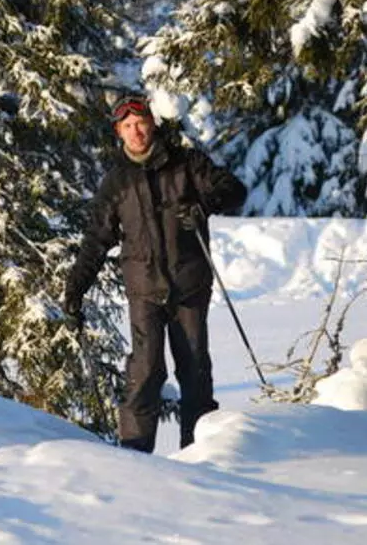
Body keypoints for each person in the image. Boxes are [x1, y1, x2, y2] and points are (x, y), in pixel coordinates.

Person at [63, 94, 246, 452]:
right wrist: (75, 289)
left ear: (153, 123)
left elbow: (234, 190)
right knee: (145, 372)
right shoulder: (117, 181)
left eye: (141, 123)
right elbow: (96, 239)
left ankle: (199, 455)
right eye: (128, 126)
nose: (136, 131)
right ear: (119, 132)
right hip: (144, 290)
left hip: (189, 286)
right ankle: (134, 456)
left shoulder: (187, 164)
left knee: (194, 372)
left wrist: (203, 206)